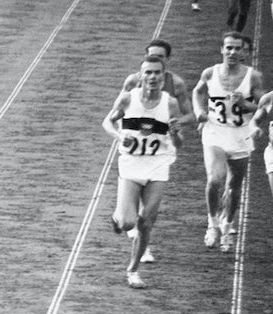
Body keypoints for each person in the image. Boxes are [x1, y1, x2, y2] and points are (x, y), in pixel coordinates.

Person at [104, 55, 184, 289]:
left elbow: (179, 143)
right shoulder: (128, 99)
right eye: (148, 72)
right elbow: (107, 122)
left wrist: (175, 133)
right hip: (131, 164)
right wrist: (119, 136)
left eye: (157, 72)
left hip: (158, 164)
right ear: (140, 76)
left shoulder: (170, 103)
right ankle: (118, 218)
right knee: (128, 223)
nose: (152, 77)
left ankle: (133, 270)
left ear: (163, 77)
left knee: (146, 221)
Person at [120, 39, 194, 264]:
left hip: (161, 149)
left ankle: (144, 247)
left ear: (167, 60)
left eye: (161, 57)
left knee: (148, 211)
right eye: (151, 56)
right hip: (136, 148)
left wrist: (173, 124)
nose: (155, 62)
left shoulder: (176, 84)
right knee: (130, 215)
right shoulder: (133, 81)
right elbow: (121, 110)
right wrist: (125, 134)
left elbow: (190, 115)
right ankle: (126, 217)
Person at [193, 31, 265, 253]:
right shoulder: (210, 73)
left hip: (240, 135)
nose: (233, 52)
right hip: (215, 132)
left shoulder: (253, 77)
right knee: (215, 179)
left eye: (237, 48)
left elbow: (265, 106)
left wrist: (246, 104)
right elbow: (197, 92)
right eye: (229, 48)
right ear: (222, 50)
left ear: (244, 52)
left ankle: (227, 226)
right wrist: (199, 112)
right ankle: (212, 225)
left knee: (234, 186)